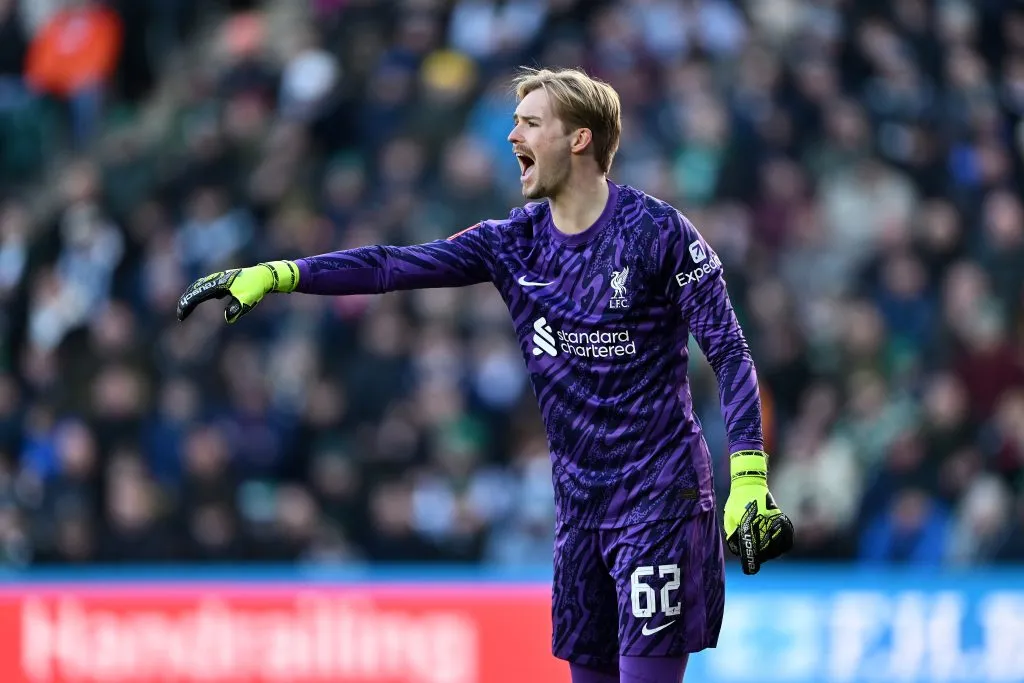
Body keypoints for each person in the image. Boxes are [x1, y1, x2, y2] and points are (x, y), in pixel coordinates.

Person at [176, 67, 794, 683]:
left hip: (660, 500)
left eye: (530, 123)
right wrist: (280, 274)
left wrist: (748, 475)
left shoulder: (659, 233)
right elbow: (392, 266)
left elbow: (730, 352)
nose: (511, 136)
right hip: (578, 508)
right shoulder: (513, 242)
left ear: (578, 138)